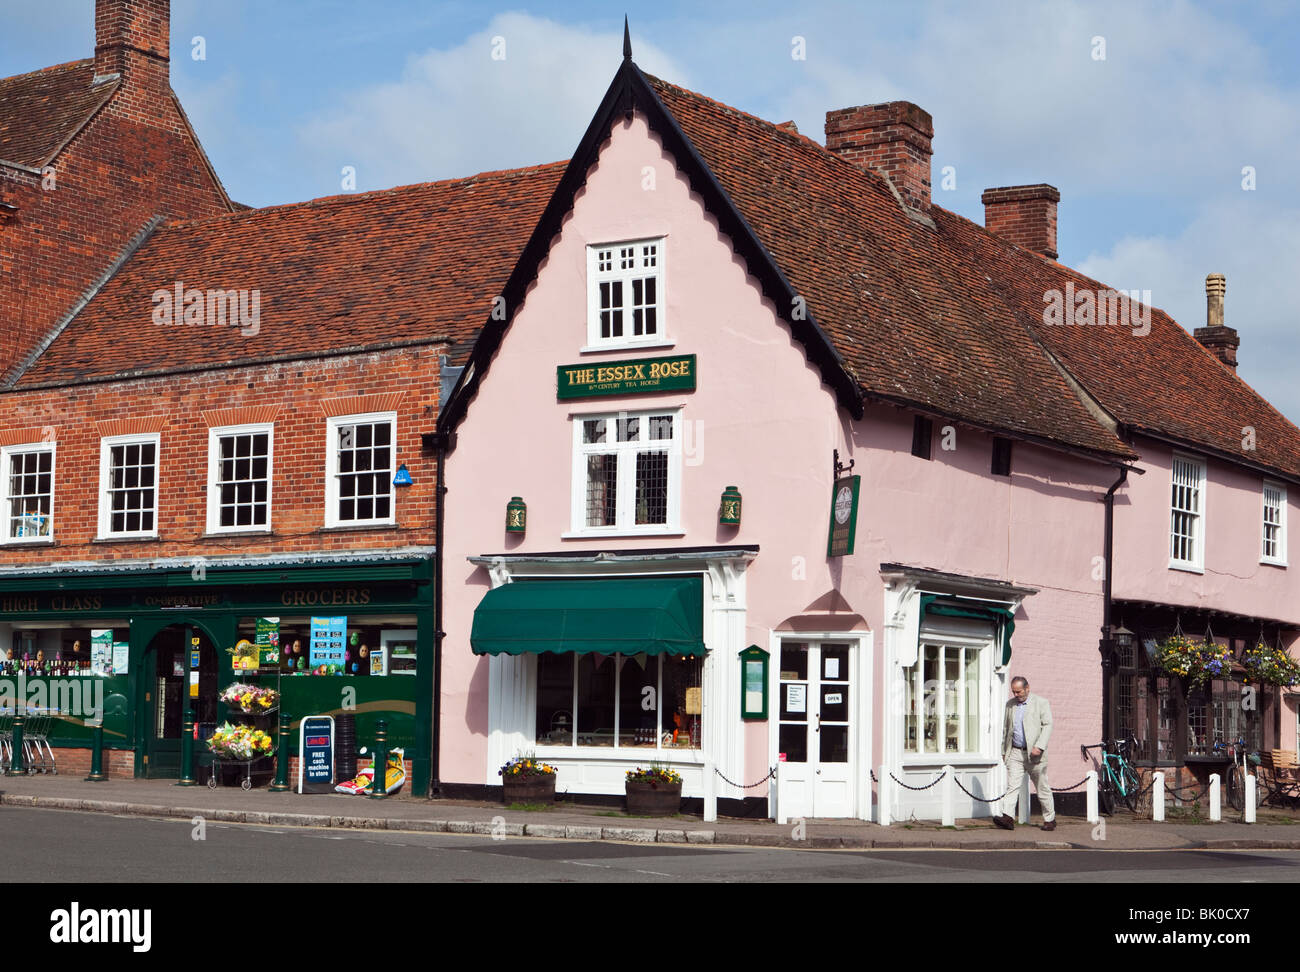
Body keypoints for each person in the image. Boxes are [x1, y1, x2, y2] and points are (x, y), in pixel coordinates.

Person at [995, 676, 1055, 831]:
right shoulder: (1010, 705)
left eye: (1019, 691)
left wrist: (1040, 746)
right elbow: (1006, 730)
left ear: (1027, 688)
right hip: (1015, 751)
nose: (1016, 695)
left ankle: (1050, 819)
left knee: (1042, 788)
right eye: (1014, 692)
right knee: (1012, 786)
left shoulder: (1041, 703)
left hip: (1035, 754)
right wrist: (1004, 751)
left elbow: (1048, 726)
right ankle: (1008, 818)